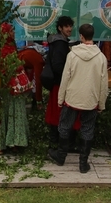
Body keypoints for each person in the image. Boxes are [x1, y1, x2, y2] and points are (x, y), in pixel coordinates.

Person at [48, 24, 108, 173]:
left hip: (72, 98)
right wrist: (101, 104)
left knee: (64, 126)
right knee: (87, 129)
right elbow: (103, 84)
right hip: (91, 99)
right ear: (93, 36)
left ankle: (61, 157)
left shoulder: (72, 55)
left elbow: (65, 79)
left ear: (81, 36)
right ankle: (83, 163)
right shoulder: (101, 57)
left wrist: (60, 99)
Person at [0, 23, 30, 153]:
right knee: (10, 113)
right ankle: (13, 142)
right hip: (7, 87)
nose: (14, 33)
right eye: (12, 31)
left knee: (1, 112)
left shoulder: (0, 49)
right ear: (6, 33)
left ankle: (1, 144)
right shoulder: (3, 50)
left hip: (1, 87)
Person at [44, 16, 77, 148]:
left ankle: (56, 142)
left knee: (56, 112)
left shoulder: (59, 42)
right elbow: (58, 65)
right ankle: (57, 142)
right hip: (60, 84)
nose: (69, 29)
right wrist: (69, 77)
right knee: (58, 113)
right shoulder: (60, 44)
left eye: (70, 26)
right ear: (60, 28)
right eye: (67, 26)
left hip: (58, 83)